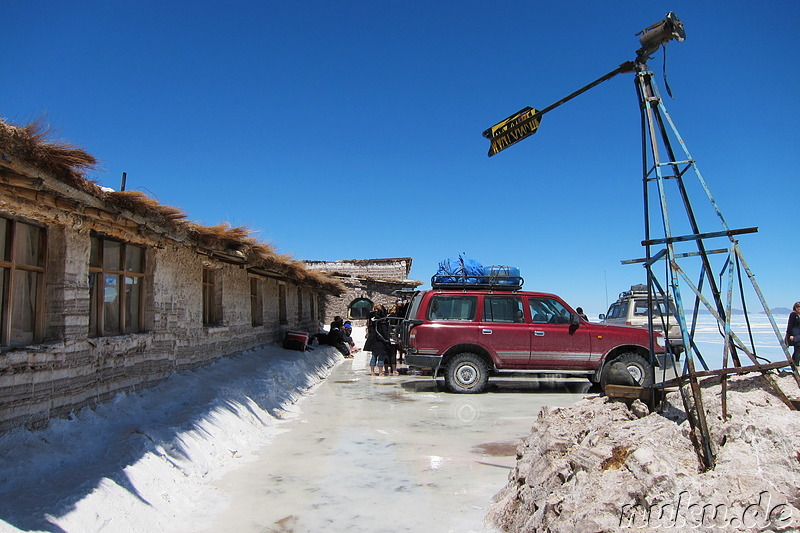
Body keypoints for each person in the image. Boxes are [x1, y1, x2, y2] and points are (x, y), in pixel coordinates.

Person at [364, 304, 389, 376]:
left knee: (374, 355)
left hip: (372, 339)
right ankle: (380, 372)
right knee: (381, 355)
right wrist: (387, 340)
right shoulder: (381, 322)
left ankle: (372, 372)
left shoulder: (371, 321)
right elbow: (384, 332)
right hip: (380, 340)